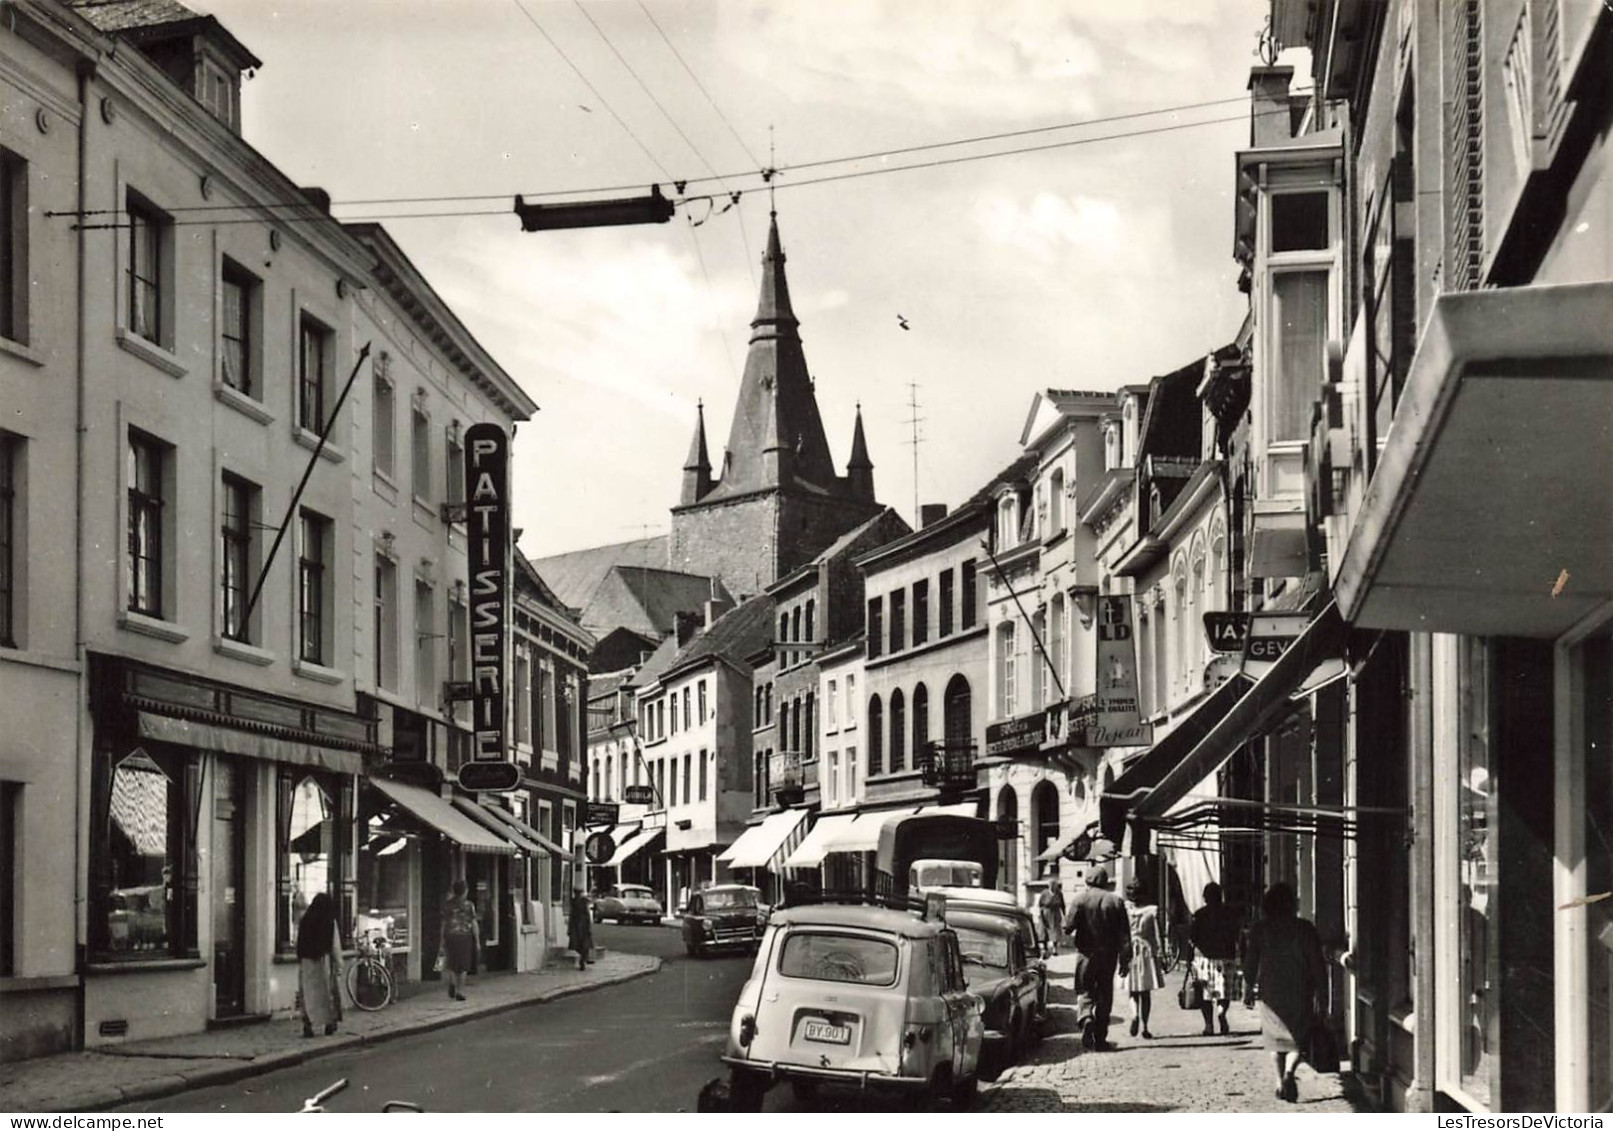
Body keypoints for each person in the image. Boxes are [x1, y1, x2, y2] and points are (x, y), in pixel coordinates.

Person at [1243, 882, 1328, 1103]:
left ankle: (1280, 1081)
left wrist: (1247, 988)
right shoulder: (1305, 928)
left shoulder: (1260, 929)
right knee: (1298, 1039)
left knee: (1275, 1040)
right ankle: (1290, 1072)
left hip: (1271, 991)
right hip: (1300, 989)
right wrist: (1323, 995)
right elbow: (1318, 965)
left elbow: (1250, 963)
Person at [1061, 864, 1132, 1051]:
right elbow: (1124, 935)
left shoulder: (1080, 900)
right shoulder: (1116, 901)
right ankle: (1100, 1039)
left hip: (1086, 954)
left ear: (1088, 880)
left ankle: (1085, 1017)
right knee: (1104, 995)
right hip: (1108, 956)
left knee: (1085, 990)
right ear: (1105, 881)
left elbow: (1068, 927)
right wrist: (1125, 959)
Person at [1190, 881, 1243, 1036]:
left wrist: (1189, 957)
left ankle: (1208, 1025)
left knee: (1206, 993)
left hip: (1204, 958)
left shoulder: (1199, 914)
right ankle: (1221, 1011)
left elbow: (1193, 938)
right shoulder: (1230, 913)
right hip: (1226, 956)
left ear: (1205, 897)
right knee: (1224, 990)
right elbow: (1236, 934)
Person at [295, 892, 343, 1038]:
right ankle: (329, 1023)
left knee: (308, 995)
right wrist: (339, 963)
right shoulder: (329, 922)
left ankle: (307, 1023)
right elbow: (335, 945)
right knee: (326, 994)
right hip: (324, 961)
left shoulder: (305, 920)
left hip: (307, 962)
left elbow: (299, 943)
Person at [1123, 877, 1166, 1039]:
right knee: (1145, 992)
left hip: (1130, 950)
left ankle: (1134, 1015)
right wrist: (1160, 952)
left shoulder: (1125, 910)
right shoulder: (1151, 911)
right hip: (1146, 952)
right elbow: (1157, 934)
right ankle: (1145, 1027)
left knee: (1132, 989)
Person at [440, 879, 480, 1001]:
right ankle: (459, 991)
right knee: (463, 966)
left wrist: (441, 939)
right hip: (464, 936)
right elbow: (474, 923)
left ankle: (452, 981)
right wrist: (477, 941)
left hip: (450, 935)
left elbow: (443, 922)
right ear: (465, 891)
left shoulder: (447, 905)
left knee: (451, 962)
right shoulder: (469, 906)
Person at [1037, 882, 1067, 958]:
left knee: (1055, 931)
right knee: (1043, 930)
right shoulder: (1044, 893)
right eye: (1051, 886)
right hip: (1046, 912)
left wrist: (1064, 915)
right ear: (1049, 886)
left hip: (1055, 913)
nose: (1053, 887)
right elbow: (1040, 904)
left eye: (1054, 886)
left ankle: (1054, 949)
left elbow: (1063, 905)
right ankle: (1044, 948)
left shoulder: (1059, 893)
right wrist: (1041, 913)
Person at [568, 888, 595, 971]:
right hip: (576, 925)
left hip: (583, 926)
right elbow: (572, 915)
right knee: (577, 944)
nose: (577, 895)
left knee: (585, 944)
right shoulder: (573, 902)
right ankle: (584, 958)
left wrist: (588, 926)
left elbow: (587, 915)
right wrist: (570, 928)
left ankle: (584, 959)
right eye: (576, 893)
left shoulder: (583, 902)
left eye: (578, 893)